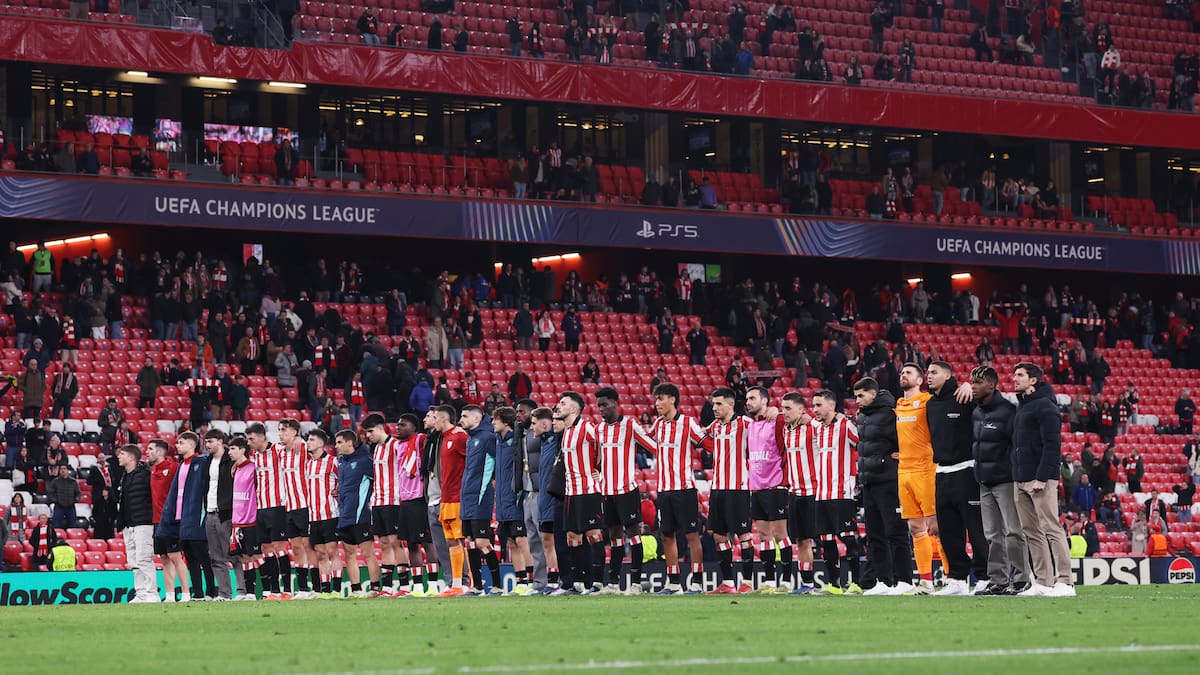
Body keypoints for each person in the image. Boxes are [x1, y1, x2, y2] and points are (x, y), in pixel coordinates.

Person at [925, 361, 989, 595]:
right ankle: (958, 579)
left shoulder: (965, 396)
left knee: (976, 529)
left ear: (947, 375)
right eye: (927, 372)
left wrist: (969, 386)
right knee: (949, 530)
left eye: (934, 372)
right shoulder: (930, 404)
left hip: (966, 469)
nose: (929, 376)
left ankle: (985, 577)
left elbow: (989, 403)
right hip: (941, 471)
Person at [1012, 362, 1075, 597]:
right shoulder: (1023, 406)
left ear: (1033, 380)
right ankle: (1043, 581)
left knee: (1051, 528)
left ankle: (1066, 582)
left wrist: (1042, 477)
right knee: (1031, 531)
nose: (1014, 379)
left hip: (1040, 479)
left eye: (1020, 375)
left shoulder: (1046, 406)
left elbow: (1052, 446)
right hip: (1021, 478)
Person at [969, 366, 1030, 595]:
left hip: (1005, 480)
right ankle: (998, 580)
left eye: (978, 382)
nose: (973, 386)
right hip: (984, 481)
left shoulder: (1008, 412)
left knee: (1014, 531)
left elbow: (1017, 446)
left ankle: (1022, 579)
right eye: (972, 382)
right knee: (992, 534)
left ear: (991, 385)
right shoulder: (976, 412)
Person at [852, 378, 913, 596]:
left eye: (861, 395)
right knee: (874, 534)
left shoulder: (891, 413)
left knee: (895, 531)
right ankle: (883, 581)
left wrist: (903, 455)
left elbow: (909, 437)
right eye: (855, 396)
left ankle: (904, 579)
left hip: (889, 480)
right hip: (869, 481)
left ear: (873, 394)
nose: (857, 400)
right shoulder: (862, 416)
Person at [595, 388, 658, 594]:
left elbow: (652, 446)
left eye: (604, 405)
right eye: (598, 406)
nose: (601, 409)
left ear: (615, 403)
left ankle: (636, 583)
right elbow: (595, 457)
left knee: (634, 534)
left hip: (627, 491)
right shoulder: (599, 429)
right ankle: (613, 583)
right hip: (607, 492)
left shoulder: (629, 425)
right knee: (614, 536)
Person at [649, 383, 708, 594]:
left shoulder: (687, 422)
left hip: (684, 489)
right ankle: (673, 583)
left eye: (660, 399)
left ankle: (697, 582)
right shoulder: (657, 424)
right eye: (656, 399)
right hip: (664, 490)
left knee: (692, 535)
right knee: (667, 535)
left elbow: (706, 443)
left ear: (672, 399)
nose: (657, 403)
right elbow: (645, 440)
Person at [554, 391, 608, 594]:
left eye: (563, 403)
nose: (559, 406)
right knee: (572, 536)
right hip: (571, 492)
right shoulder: (567, 431)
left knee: (593, 534)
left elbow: (603, 447)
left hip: (588, 491)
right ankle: (577, 583)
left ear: (574, 408)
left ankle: (598, 583)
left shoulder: (586, 427)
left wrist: (600, 469)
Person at [703, 387, 755, 595]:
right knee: (719, 536)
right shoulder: (714, 426)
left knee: (743, 534)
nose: (714, 408)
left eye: (719, 404)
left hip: (738, 488)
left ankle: (748, 582)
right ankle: (727, 583)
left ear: (731, 404)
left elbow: (766, 434)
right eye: (713, 404)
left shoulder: (746, 424)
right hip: (717, 488)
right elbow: (700, 435)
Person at [894, 362, 940, 594]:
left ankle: (954, 578)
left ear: (920, 380)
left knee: (936, 527)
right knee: (915, 527)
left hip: (926, 469)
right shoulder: (899, 405)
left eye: (909, 372)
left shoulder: (928, 401)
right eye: (902, 372)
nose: (904, 375)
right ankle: (925, 581)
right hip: (904, 471)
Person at [158, 432, 217, 600]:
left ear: (192, 445)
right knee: (190, 558)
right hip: (181, 517)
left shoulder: (202, 462)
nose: (177, 446)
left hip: (196, 516)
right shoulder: (181, 465)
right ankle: (198, 593)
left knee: (203, 555)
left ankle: (211, 591)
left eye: (181, 443)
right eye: (177, 443)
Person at [457, 405, 504, 595]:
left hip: (481, 496)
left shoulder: (488, 438)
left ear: (476, 419)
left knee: (482, 542)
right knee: (469, 542)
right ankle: (477, 586)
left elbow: (499, 462)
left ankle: (497, 585)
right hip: (467, 497)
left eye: (464, 416)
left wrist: (494, 481)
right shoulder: (471, 439)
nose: (461, 419)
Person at [334, 428, 383, 596]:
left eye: (339, 442)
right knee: (349, 554)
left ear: (350, 443)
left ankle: (375, 587)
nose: (336, 446)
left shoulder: (365, 461)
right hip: (344, 515)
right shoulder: (341, 462)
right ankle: (356, 589)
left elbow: (378, 479)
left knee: (368, 553)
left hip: (360, 515)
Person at [491, 407, 533, 594]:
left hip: (515, 498)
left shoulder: (516, 440)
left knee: (521, 540)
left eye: (496, 419)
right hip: (502, 500)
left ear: (505, 422)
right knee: (511, 542)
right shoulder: (498, 441)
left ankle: (533, 581)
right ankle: (521, 581)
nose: (493, 422)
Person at [246, 423, 290, 599]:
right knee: (265, 548)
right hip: (260, 507)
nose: (249, 442)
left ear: (262, 437)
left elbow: (295, 446)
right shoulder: (254, 456)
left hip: (277, 506)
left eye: (251, 439)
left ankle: (287, 590)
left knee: (279, 546)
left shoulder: (278, 450)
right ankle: (275, 590)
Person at [433, 405, 471, 597]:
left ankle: (469, 583)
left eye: (435, 418)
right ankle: (456, 584)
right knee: (450, 541)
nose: (433, 422)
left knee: (461, 539)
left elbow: (473, 462)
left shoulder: (460, 437)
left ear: (443, 418)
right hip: (446, 497)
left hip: (458, 497)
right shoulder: (445, 438)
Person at [277, 419, 316, 598]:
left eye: (284, 430)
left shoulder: (304, 448)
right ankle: (302, 588)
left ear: (294, 432)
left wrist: (300, 441)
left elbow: (317, 452)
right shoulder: (281, 452)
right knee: (296, 547)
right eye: (279, 430)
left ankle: (317, 588)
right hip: (289, 506)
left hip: (305, 505)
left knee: (309, 546)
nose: (280, 434)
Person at [48, 464, 80, 530]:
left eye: (64, 469)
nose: (63, 470)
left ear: (67, 470)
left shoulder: (73, 481)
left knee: (73, 526)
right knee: (56, 526)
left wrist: (75, 500)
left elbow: (78, 493)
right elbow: (50, 493)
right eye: (61, 469)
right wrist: (55, 501)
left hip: (70, 506)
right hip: (59, 506)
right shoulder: (55, 481)